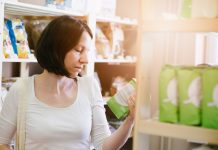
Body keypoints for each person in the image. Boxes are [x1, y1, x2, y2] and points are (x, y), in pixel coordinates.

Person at [0, 15, 135, 150]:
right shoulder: (21, 90)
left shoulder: (89, 87)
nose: (85, 60)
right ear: (56, 47)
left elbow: (105, 146)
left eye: (87, 52)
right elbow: (2, 142)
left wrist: (130, 120)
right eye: (78, 50)